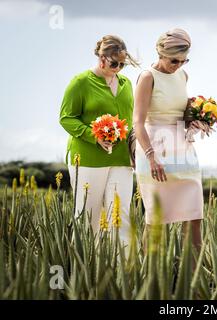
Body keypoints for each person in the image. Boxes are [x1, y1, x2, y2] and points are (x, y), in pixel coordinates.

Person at [59, 35, 139, 245]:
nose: (118, 68)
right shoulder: (80, 82)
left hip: (121, 160)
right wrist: (94, 136)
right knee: (88, 216)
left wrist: (134, 150)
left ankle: (124, 272)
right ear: (101, 58)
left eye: (122, 64)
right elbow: (66, 118)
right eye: (114, 63)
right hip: (87, 159)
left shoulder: (126, 83)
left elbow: (129, 120)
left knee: (120, 215)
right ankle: (86, 271)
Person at [133, 28, 203, 250]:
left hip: (183, 151)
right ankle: (149, 279)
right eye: (175, 60)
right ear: (161, 53)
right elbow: (137, 122)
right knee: (156, 220)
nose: (179, 65)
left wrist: (195, 121)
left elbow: (180, 112)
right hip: (155, 153)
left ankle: (193, 280)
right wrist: (151, 157)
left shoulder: (183, 75)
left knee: (194, 217)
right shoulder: (147, 77)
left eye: (184, 60)